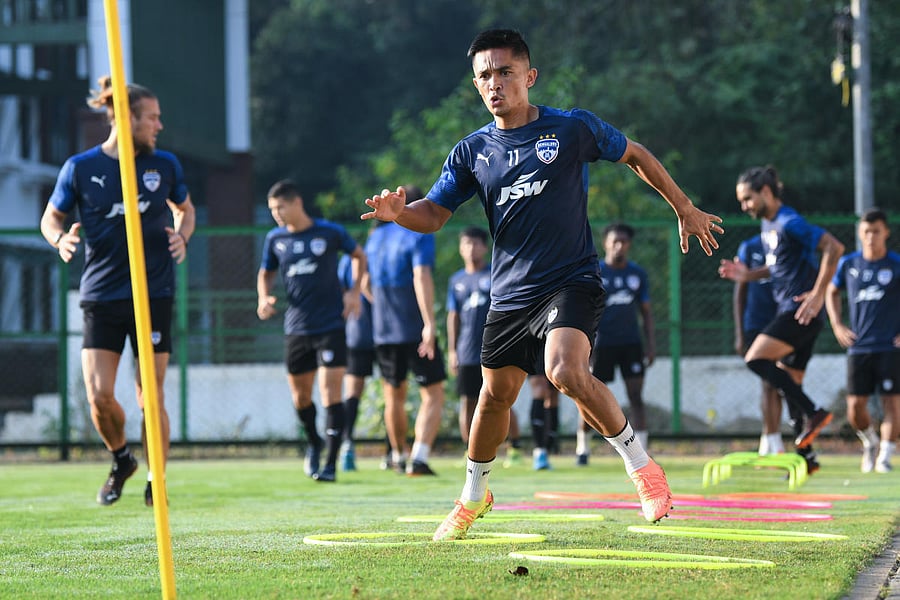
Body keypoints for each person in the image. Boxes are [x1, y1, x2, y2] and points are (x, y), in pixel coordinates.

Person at [361, 29, 723, 540]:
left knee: (564, 371)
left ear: (528, 77)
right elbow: (436, 213)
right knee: (494, 396)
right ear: (475, 85)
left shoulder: (570, 129)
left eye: (505, 72)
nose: (495, 84)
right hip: (509, 294)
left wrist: (684, 208)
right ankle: (473, 494)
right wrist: (400, 214)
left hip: (571, 279)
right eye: (484, 76)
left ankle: (643, 468)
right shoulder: (472, 151)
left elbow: (637, 154)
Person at [40, 76, 196, 507]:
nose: (159, 126)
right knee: (99, 396)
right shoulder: (81, 167)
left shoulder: (164, 165)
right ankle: (121, 458)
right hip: (101, 295)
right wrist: (60, 239)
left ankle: (156, 478)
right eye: (152, 118)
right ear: (126, 118)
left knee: (151, 394)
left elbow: (186, 209)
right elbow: (50, 218)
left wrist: (183, 234)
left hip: (153, 293)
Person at [718, 165, 844, 473]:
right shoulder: (769, 225)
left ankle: (815, 412)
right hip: (799, 313)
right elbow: (780, 267)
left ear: (765, 192)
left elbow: (834, 247)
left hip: (799, 310)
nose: (744, 206)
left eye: (747, 199)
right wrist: (750, 274)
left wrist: (817, 293)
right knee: (790, 382)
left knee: (755, 359)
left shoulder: (789, 222)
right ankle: (807, 455)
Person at [257, 179, 367, 483]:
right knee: (301, 398)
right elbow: (265, 272)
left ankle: (330, 462)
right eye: (272, 209)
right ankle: (314, 443)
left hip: (331, 325)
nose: (276, 214)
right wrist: (263, 297)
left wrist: (353, 292)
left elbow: (359, 255)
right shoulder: (275, 239)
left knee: (331, 392)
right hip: (296, 328)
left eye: (280, 207)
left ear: (296, 203)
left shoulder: (329, 232)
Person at [364, 185, 447, 476]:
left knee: (393, 396)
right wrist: (430, 323)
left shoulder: (375, 237)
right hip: (413, 326)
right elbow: (420, 275)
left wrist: (385, 309)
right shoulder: (418, 232)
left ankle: (398, 455)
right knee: (433, 393)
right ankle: (419, 457)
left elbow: (364, 284)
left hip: (383, 329)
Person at [825, 208, 900, 473]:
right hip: (859, 347)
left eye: (876, 231)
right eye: (866, 232)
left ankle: (885, 457)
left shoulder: (895, 264)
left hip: (890, 347)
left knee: (892, 402)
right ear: (860, 233)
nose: (871, 237)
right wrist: (837, 324)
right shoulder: (849, 264)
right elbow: (831, 291)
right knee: (855, 408)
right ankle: (870, 441)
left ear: (886, 233)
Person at [575, 223, 655, 465]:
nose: (619, 245)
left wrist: (650, 345)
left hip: (631, 343)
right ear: (606, 243)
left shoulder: (637, 274)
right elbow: (583, 311)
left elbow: (647, 312)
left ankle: (642, 451)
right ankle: (582, 447)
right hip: (600, 345)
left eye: (624, 241)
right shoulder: (595, 271)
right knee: (588, 397)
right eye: (614, 241)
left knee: (636, 397)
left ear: (629, 245)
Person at [732, 233, 783, 455]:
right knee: (768, 383)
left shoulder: (789, 243)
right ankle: (773, 440)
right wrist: (739, 332)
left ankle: (771, 437)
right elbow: (740, 290)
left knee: (781, 383)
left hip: (784, 321)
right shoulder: (749, 246)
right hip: (757, 324)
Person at [337, 251, 375, 471]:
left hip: (388, 333)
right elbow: (341, 293)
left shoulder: (388, 253)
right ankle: (346, 444)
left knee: (394, 391)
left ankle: (393, 451)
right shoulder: (350, 258)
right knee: (353, 391)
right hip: (358, 333)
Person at [529, 373, 559, 470]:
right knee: (540, 388)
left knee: (553, 394)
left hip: (558, 357)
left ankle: (547, 450)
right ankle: (539, 451)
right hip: (536, 357)